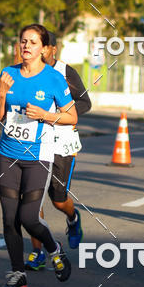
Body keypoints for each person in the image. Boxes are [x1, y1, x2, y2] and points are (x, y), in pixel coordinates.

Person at [0, 24, 78, 287]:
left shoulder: (53, 79)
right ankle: (18, 274)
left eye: (32, 42)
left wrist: (45, 115)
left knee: (29, 217)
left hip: (38, 156)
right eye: (23, 41)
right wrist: (1, 93)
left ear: (43, 48)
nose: (26, 46)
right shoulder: (8, 74)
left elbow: (72, 117)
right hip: (8, 154)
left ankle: (54, 248)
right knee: (9, 219)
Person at [26, 32, 91, 269]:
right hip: (34, 142)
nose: (39, 52)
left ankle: (73, 219)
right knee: (31, 199)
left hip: (62, 142)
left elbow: (85, 103)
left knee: (58, 199)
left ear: (53, 49)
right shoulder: (28, 71)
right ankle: (38, 252)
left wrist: (65, 115)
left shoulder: (65, 72)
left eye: (43, 47)